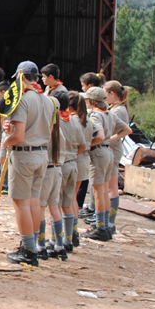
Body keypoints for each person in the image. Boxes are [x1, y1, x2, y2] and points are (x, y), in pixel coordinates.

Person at [2, 61, 55, 267]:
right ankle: (32, 244)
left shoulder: (23, 100)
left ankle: (28, 249)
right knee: (33, 201)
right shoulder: (48, 100)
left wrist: (7, 140)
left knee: (21, 202)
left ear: (21, 76)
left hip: (24, 155)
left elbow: (19, 135)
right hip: (42, 154)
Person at [84, 87, 113, 241]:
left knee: (98, 192)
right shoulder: (109, 114)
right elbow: (126, 129)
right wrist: (110, 141)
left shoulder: (96, 116)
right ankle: (105, 225)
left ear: (92, 101)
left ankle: (100, 227)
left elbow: (100, 136)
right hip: (108, 152)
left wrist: (90, 144)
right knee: (104, 191)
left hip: (99, 153)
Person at [36, 93, 64, 260]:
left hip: (47, 171)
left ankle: (40, 245)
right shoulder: (61, 131)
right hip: (58, 169)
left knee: (40, 207)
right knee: (54, 208)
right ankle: (59, 244)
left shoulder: (46, 132)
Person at [103, 80, 133, 235]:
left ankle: (110, 222)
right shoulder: (116, 108)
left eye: (105, 94)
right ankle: (107, 220)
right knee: (109, 187)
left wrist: (108, 140)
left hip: (113, 150)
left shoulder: (118, 111)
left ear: (112, 94)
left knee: (112, 188)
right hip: (112, 149)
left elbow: (125, 131)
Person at [66, 91, 90, 250]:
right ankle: (73, 233)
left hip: (74, 158)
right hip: (84, 160)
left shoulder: (72, 121)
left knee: (69, 199)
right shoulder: (88, 121)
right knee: (73, 198)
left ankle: (71, 233)